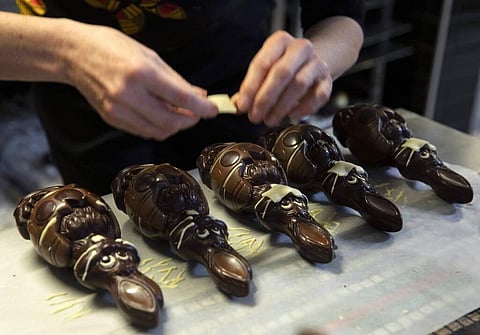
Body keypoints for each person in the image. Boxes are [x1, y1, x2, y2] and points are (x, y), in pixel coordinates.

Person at [0, 0, 365, 195]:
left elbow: (341, 17)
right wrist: (67, 53)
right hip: (86, 105)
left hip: (246, 98)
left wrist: (317, 61)